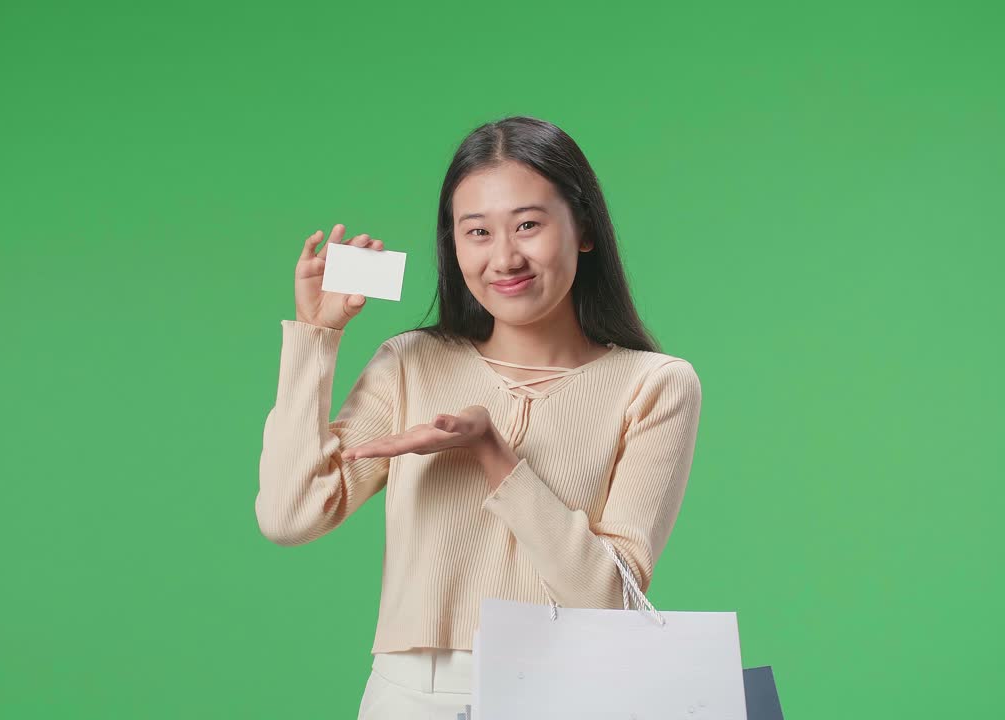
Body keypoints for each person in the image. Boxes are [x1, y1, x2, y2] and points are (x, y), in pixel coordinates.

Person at [255, 116, 703, 720]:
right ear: (454, 245)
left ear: (585, 229)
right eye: (478, 232)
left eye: (528, 225)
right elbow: (290, 515)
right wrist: (317, 336)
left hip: (570, 693)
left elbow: (609, 604)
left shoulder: (654, 385)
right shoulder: (411, 362)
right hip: (411, 697)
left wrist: (496, 456)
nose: (505, 257)